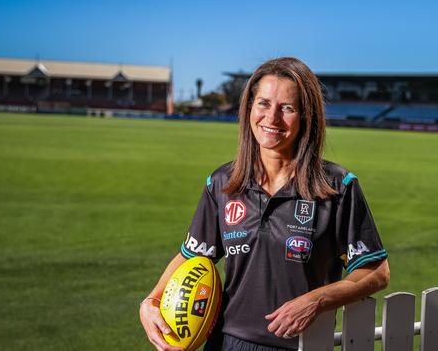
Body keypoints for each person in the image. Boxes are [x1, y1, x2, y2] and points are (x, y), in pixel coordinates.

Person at [139, 57, 390, 351]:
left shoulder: (337, 187)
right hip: (225, 343)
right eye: (263, 104)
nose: (272, 119)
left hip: (300, 346)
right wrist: (151, 301)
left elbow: (376, 272)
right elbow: (193, 255)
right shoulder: (223, 182)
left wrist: (316, 300)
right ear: (248, 109)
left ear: (306, 117)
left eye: (287, 108)